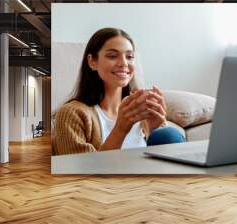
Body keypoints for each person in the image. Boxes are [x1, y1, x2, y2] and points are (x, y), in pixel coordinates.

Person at [52, 28, 185, 155]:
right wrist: (120, 129)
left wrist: (153, 130)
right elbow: (81, 172)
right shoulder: (72, 113)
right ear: (92, 61)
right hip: (106, 179)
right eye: (112, 56)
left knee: (168, 135)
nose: (124, 63)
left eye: (129, 56)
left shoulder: (140, 109)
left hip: (148, 177)